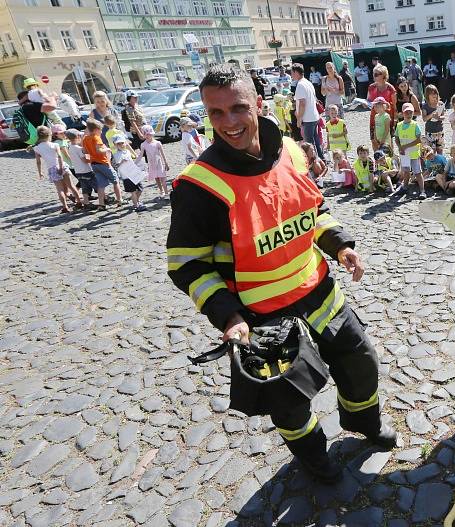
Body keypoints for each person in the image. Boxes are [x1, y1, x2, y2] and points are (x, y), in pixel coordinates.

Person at [167, 65, 397, 483]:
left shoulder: (291, 151)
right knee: (289, 404)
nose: (229, 122)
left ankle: (364, 425)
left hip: (319, 293)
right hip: (262, 318)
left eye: (238, 108)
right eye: (215, 113)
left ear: (259, 102)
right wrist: (228, 317)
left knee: (360, 362)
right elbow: (187, 264)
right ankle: (314, 457)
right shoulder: (198, 186)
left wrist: (339, 245)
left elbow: (313, 212)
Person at [34, 125, 83, 213]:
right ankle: (79, 202)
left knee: (60, 189)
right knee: (71, 186)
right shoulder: (55, 144)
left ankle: (65, 207)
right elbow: (60, 157)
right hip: (62, 166)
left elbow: (38, 162)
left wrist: (40, 172)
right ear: (49, 134)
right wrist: (60, 167)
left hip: (52, 169)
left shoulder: (37, 148)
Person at [83, 119, 122, 210]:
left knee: (101, 185)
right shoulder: (96, 137)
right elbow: (99, 150)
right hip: (103, 163)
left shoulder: (85, 138)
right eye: (100, 130)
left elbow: (84, 151)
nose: (101, 132)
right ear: (96, 129)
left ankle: (101, 204)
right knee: (115, 180)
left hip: (94, 164)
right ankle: (120, 200)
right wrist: (107, 149)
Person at [291, 63, 324, 159]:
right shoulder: (308, 82)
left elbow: (302, 103)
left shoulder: (300, 85)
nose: (291, 75)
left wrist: (299, 119)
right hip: (313, 116)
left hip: (307, 118)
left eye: (292, 73)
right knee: (316, 141)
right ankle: (321, 159)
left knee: (309, 144)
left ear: (296, 72)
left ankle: (315, 163)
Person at [394, 102, 424, 199]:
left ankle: (422, 191)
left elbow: (419, 139)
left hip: (414, 153)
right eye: (406, 112)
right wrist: (400, 147)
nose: (408, 114)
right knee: (406, 171)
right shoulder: (398, 125)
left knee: (417, 172)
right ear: (402, 113)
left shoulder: (415, 125)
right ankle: (405, 187)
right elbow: (397, 138)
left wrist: (405, 146)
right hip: (404, 153)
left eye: (410, 112)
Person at [111, 135, 145, 211]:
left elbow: (133, 160)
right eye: (118, 144)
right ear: (115, 145)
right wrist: (121, 162)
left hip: (133, 172)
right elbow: (115, 166)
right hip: (126, 175)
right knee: (132, 191)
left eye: (122, 143)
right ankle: (136, 205)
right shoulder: (116, 155)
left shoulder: (128, 152)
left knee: (140, 189)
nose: (121, 145)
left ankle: (136, 200)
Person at [66, 128, 96, 207]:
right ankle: (104, 198)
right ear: (78, 136)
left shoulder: (70, 147)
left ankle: (86, 202)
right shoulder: (79, 149)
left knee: (84, 187)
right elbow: (85, 160)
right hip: (86, 170)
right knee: (97, 185)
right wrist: (92, 158)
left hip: (78, 171)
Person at [141, 125, 170, 199]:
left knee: (163, 178)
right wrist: (136, 163)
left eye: (149, 134)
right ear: (143, 135)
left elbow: (162, 154)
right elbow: (140, 155)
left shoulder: (157, 143)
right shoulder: (143, 144)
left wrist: (166, 163)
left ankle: (166, 192)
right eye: (146, 134)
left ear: (152, 134)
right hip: (151, 164)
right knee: (156, 178)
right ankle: (161, 191)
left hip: (159, 163)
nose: (147, 136)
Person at [421, 84, 446, 152]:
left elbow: (443, 117)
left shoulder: (440, 104)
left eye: (435, 93)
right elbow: (424, 119)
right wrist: (432, 115)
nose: (434, 95)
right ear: (427, 95)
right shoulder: (425, 106)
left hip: (440, 131)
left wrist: (439, 118)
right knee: (432, 151)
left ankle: (441, 162)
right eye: (432, 94)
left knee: (440, 150)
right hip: (430, 131)